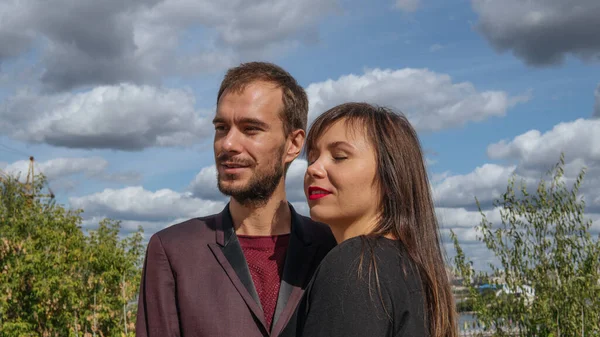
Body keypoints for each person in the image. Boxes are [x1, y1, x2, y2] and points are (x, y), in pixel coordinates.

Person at [135, 62, 337, 337]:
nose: (228, 144)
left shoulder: (332, 247)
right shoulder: (174, 251)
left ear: (293, 144)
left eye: (251, 128)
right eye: (221, 127)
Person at [297, 102, 458, 337]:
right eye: (312, 158)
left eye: (339, 156)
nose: (314, 169)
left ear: (390, 177)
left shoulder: (356, 265)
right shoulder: (411, 269)